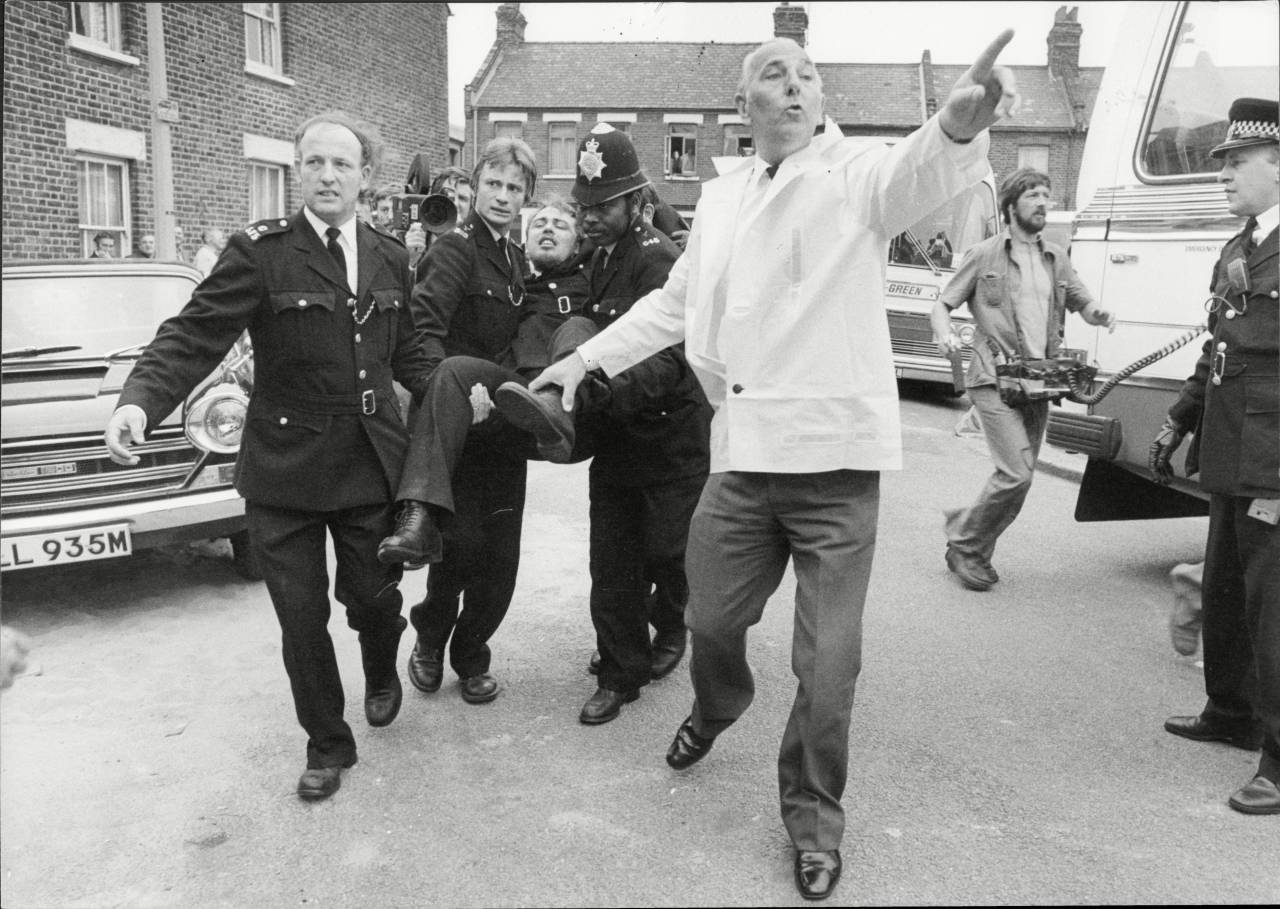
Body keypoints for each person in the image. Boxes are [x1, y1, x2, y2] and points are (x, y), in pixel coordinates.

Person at [526, 32, 1020, 901]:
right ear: (744, 106)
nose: (792, 89)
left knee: (829, 669)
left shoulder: (853, 178)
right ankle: (718, 706)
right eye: (771, 78)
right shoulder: (721, 201)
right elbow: (672, 305)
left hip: (836, 470)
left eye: (805, 77)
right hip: (744, 462)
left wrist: (955, 125)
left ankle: (814, 818)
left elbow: (914, 170)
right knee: (711, 623)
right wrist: (583, 360)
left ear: (820, 98)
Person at [103, 110, 432, 802]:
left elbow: (409, 356)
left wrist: (468, 397)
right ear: (297, 173)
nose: (327, 175)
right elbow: (194, 334)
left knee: (374, 597)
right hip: (283, 469)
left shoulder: (389, 255)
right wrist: (139, 399)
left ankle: (380, 664)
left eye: (342, 164)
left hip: (370, 460)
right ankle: (326, 742)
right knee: (300, 614)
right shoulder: (260, 251)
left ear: (365, 177)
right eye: (313, 163)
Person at [498, 125, 711, 725]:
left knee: (668, 554)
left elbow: (670, 359)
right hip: (619, 435)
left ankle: (669, 627)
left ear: (636, 202)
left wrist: (595, 388)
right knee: (613, 559)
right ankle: (622, 671)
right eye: (585, 207)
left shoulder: (659, 261)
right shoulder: (593, 260)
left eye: (603, 207)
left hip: (671, 437)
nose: (588, 219)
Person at [375, 138, 546, 707]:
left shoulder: (518, 261)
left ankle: (473, 652)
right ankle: (430, 640)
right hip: (457, 430)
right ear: (477, 188)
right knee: (462, 546)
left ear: (526, 197)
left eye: (514, 188)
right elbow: (422, 334)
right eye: (493, 184)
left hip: (504, 428)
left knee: (502, 560)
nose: (502, 197)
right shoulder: (455, 249)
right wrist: (446, 399)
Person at [1149, 97, 1280, 816]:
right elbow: (1220, 346)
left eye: (1236, 162)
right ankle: (1231, 712)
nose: (1224, 174)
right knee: (1228, 588)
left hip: (1276, 456)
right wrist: (1179, 419)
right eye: (1223, 162)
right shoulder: (1241, 246)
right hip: (1232, 448)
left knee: (1274, 609)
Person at [930, 168, 1113, 590]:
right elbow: (942, 305)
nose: (1042, 201)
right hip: (992, 376)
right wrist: (944, 334)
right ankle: (965, 544)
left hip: (1039, 381)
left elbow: (1083, 300)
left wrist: (1097, 313)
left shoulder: (1056, 257)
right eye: (1033, 194)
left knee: (1022, 476)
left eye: (1046, 194)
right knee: (1016, 472)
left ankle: (970, 534)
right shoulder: (984, 255)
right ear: (1012, 204)